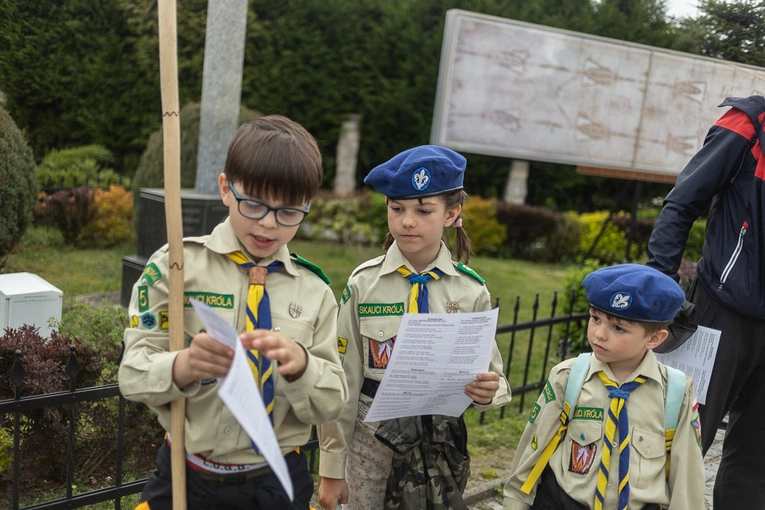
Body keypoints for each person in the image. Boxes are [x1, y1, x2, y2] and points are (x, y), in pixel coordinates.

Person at [118, 115, 349, 510]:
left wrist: (301, 367)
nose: (268, 224)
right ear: (226, 188)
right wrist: (185, 365)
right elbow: (132, 375)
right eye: (254, 204)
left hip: (276, 482)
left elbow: (331, 403)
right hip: (186, 477)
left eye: (289, 212)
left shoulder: (316, 292)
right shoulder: (175, 268)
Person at [317, 145, 511, 510]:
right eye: (397, 209)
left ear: (452, 213)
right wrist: (331, 469)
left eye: (423, 211)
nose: (407, 221)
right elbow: (341, 380)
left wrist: (488, 391)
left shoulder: (470, 291)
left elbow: (494, 376)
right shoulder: (364, 285)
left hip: (438, 446)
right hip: (370, 442)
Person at [503, 264, 704, 510]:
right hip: (566, 502)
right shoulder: (569, 376)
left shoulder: (676, 392)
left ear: (654, 339)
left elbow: (687, 472)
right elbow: (532, 447)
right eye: (595, 318)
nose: (599, 334)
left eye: (618, 328)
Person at [646, 95, 765, 508]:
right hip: (720, 313)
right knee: (673, 443)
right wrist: (661, 285)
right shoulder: (749, 124)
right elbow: (682, 202)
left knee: (756, 464)